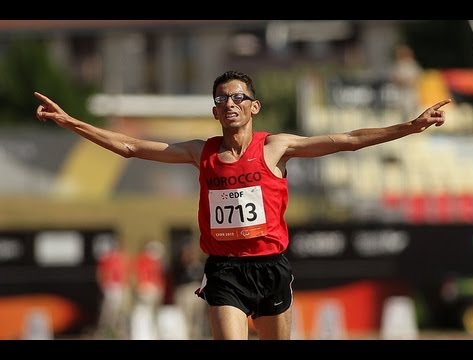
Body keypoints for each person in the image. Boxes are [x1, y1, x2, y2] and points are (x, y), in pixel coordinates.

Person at [34, 70, 450, 340]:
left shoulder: (276, 147)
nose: (229, 103)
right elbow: (129, 146)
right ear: (215, 110)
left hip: (270, 266)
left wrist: (410, 127)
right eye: (220, 98)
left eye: (237, 96)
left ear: (254, 106)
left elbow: (348, 140)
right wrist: (70, 121)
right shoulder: (201, 152)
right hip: (225, 269)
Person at [95, 238, 130, 339]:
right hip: (110, 287)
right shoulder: (106, 258)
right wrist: (104, 285)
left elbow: (125, 272)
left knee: (121, 311)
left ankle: (118, 331)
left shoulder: (122, 257)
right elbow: (100, 273)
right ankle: (107, 332)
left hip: (120, 287)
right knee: (109, 311)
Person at [391, 44, 423, 119]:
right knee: (404, 111)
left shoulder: (413, 64)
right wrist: (402, 80)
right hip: (402, 92)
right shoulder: (398, 65)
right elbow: (395, 78)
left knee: (413, 110)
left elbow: (418, 77)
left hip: (412, 91)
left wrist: (410, 81)